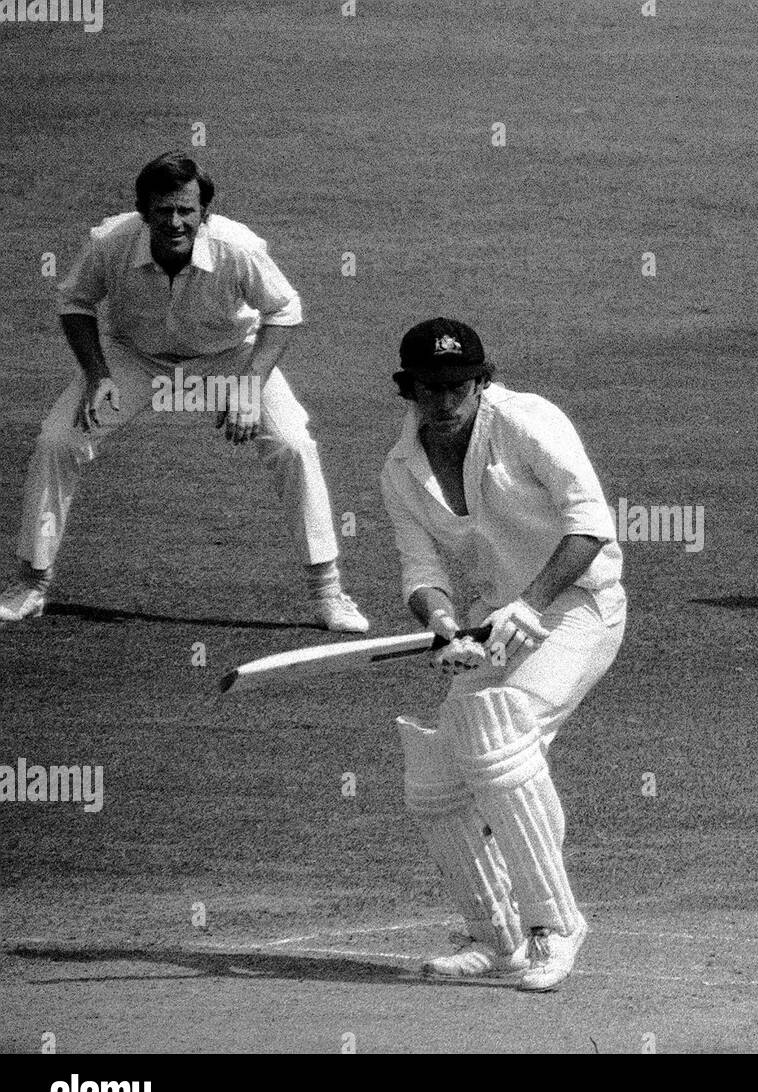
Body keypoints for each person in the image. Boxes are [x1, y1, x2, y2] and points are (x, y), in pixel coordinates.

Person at [0, 151, 368, 632]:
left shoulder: (239, 249)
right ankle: (31, 584)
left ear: (204, 213)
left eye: (186, 211)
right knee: (58, 440)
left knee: (294, 445)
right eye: (162, 210)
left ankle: (329, 594)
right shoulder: (109, 243)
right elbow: (75, 301)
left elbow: (283, 309)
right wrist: (97, 375)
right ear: (142, 210)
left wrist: (248, 387)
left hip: (226, 357)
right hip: (133, 358)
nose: (175, 222)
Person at [381, 318, 625, 992]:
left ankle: (556, 925)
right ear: (408, 388)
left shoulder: (528, 422)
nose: (447, 398)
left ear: (482, 381)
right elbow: (419, 571)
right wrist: (444, 626)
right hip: (494, 624)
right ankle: (496, 937)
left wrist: (531, 601)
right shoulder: (401, 470)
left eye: (461, 384)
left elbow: (591, 526)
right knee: (438, 778)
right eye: (431, 386)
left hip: (579, 604)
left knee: (501, 735)